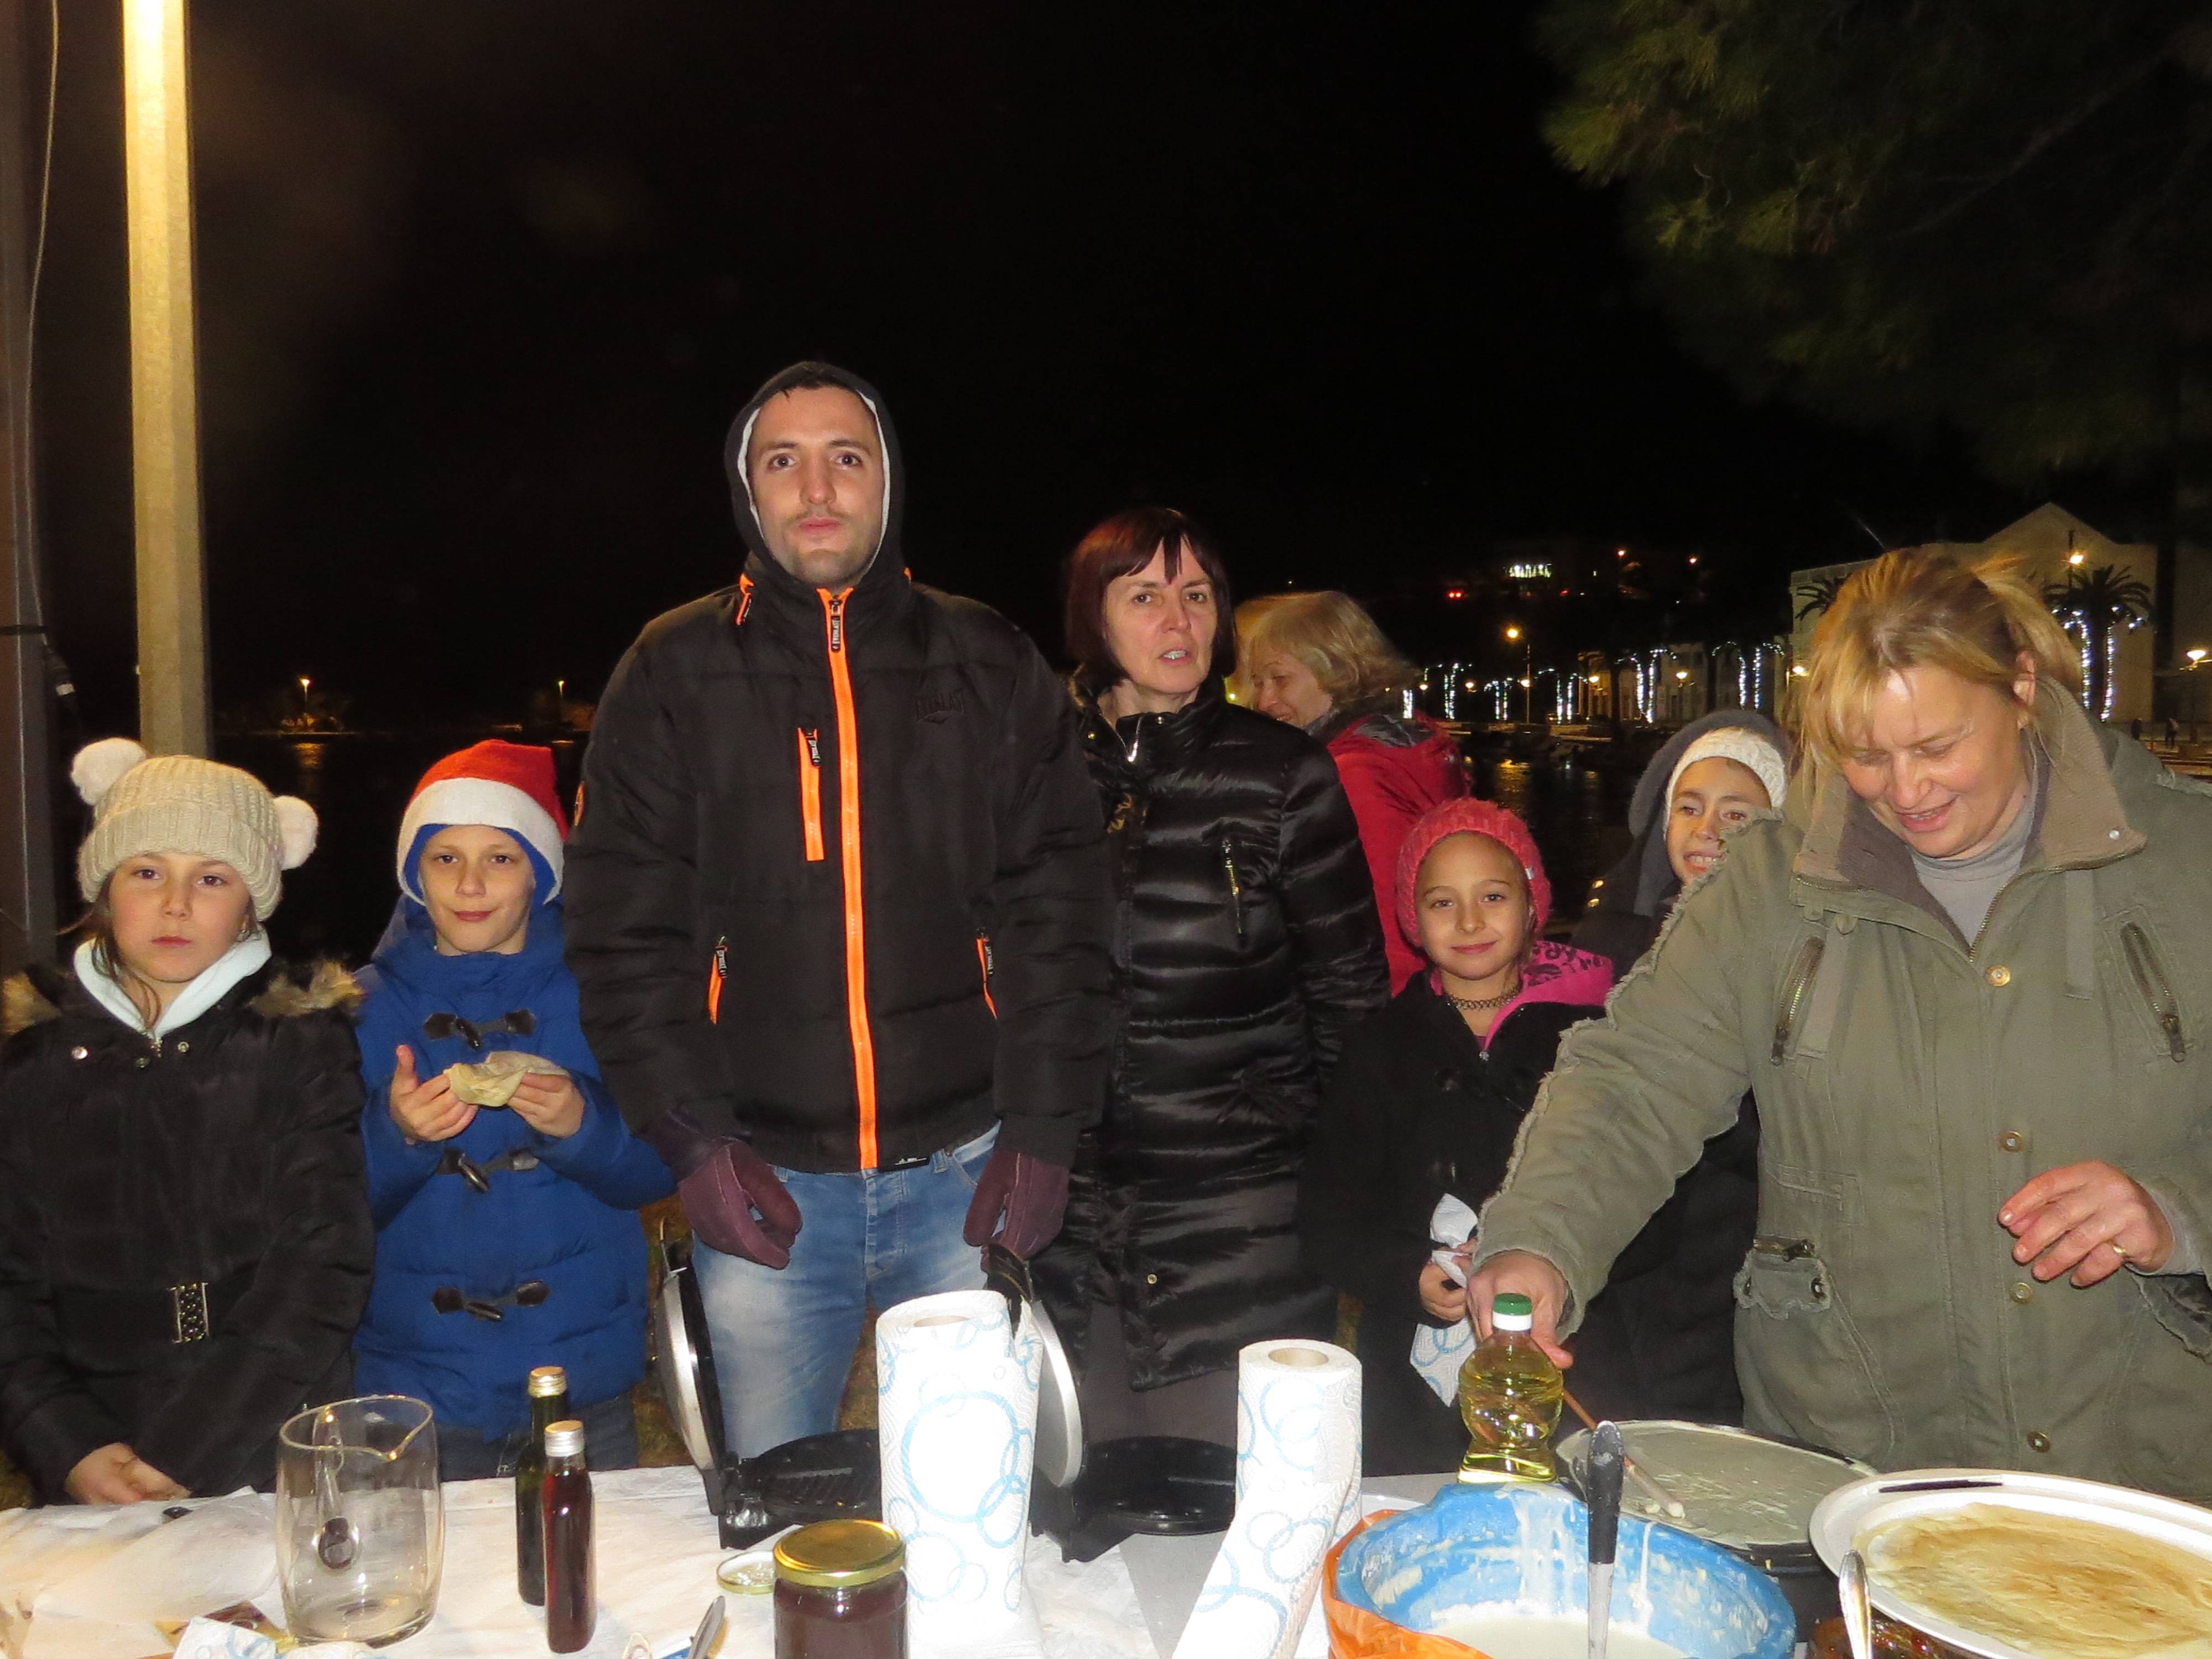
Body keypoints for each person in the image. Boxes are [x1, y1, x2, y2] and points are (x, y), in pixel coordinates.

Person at [1467, 548, 2212, 1500]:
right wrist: (1539, 1238)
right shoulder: (1767, 884)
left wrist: (2178, 1214)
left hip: (2139, 1472)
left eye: (1937, 746)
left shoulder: (2188, 859)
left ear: (2022, 688)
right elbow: (1636, 1078)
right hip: (1850, 1471)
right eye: (1866, 754)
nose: (1906, 791)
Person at [566, 362, 1112, 1458]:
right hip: (763, 1181)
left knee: (970, 1499)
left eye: (845, 458)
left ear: (887, 481)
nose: (817, 488)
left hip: (968, 1172)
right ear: (748, 491)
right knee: (778, 1511)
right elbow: (624, 931)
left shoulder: (988, 660)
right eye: (784, 461)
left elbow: (1062, 911)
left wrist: (1046, 1132)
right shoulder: (672, 669)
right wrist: (692, 1142)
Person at [1030, 507, 1390, 1446]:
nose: (1178, 620)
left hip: (1244, 1209)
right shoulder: (1034, 772)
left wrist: (1347, 1174)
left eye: (1197, 595)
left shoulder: (1285, 773)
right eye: (1145, 596)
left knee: (1235, 1483)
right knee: (1081, 1488)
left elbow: (1349, 996)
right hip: (1068, 1211)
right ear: (1093, 616)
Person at [0, 740, 371, 1503]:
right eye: (147, 872)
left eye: (211, 878)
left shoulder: (298, 1041)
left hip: (266, 1440)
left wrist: (191, 1448)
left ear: (249, 906)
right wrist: (65, 1441)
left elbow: (320, 1264)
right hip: (94, 1450)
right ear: (104, 890)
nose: (176, 903)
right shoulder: (32, 1056)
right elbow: (9, 1283)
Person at [351, 742, 674, 1478]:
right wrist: (397, 1136)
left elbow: (661, 1168)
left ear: (542, 874)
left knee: (589, 1550)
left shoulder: (609, 996)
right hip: (415, 1393)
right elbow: (322, 1206)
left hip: (578, 1380)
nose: (470, 884)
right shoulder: (361, 1008)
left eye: (500, 858)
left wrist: (585, 1127)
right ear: (414, 874)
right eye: (444, 858)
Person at [1299, 800, 1629, 1472]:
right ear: (1412, 918)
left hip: (1572, 1354)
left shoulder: (1592, 1041)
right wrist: (1407, 1275)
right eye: (1443, 902)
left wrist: (1559, 1261)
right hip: (1408, 1377)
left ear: (1532, 905)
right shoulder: (1378, 1049)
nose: (1470, 921)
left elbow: (1638, 1196)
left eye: (1493, 897)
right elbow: (1329, 1219)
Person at [1566, 714, 1791, 1424]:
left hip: (1734, 1234)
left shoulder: (1799, 946)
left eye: (1737, 814)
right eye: (1688, 807)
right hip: (1622, 1229)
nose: (1707, 829)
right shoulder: (1605, 938)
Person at [1234, 591, 1467, 990]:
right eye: (1258, 682)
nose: (1264, 700)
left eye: (1280, 679)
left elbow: (1382, 922)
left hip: (1377, 1003)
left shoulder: (1351, 774)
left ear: (1337, 672)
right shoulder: (1406, 747)